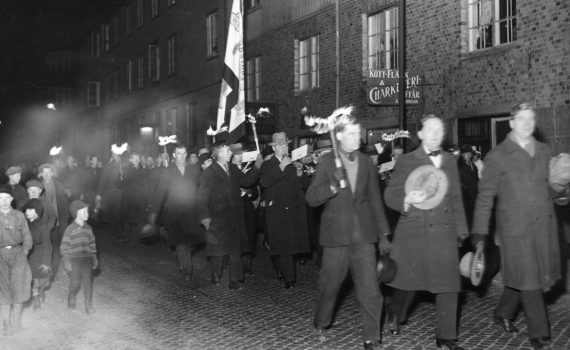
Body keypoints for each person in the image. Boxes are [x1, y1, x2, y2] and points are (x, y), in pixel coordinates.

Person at [471, 103, 570, 350]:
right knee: (531, 279)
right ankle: (540, 336)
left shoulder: (544, 150)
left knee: (525, 277)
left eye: (531, 118)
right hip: (515, 230)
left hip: (543, 227)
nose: (527, 123)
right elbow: (485, 198)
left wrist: (561, 191)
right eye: (522, 118)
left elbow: (549, 188)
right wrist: (480, 233)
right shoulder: (497, 156)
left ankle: (503, 312)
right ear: (512, 123)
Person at [305, 109, 391, 350]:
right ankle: (322, 321)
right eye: (352, 134)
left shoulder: (366, 162)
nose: (358, 138)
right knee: (329, 285)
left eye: (359, 133)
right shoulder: (326, 162)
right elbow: (311, 198)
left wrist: (384, 235)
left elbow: (375, 199)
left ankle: (371, 337)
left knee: (370, 289)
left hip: (364, 237)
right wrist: (332, 185)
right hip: (336, 237)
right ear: (339, 135)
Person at [383, 114, 469, 350]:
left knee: (449, 285)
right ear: (420, 134)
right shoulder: (407, 160)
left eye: (439, 130)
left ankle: (445, 336)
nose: (435, 134)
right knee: (407, 283)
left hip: (444, 231)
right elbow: (390, 195)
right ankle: (394, 312)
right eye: (430, 129)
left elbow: (456, 199)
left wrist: (462, 231)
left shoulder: (451, 161)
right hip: (414, 231)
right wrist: (406, 199)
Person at [198, 143, 262, 289]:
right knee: (219, 252)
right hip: (218, 219)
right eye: (227, 151)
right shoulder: (210, 172)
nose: (231, 153)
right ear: (219, 153)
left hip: (234, 218)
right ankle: (216, 273)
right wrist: (205, 218)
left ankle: (234, 280)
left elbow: (246, 181)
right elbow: (202, 197)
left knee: (235, 251)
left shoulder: (233, 168)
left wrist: (257, 167)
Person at [259, 132, 310, 289]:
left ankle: (285, 272)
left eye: (287, 144)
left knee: (290, 245)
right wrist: (281, 166)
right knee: (282, 246)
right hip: (277, 212)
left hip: (293, 210)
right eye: (282, 145)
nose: (286, 147)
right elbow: (265, 182)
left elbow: (302, 185)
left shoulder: (292, 164)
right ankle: (289, 277)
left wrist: (301, 174)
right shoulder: (268, 164)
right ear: (275, 148)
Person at [150, 144, 203, 279]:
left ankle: (183, 260)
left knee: (191, 243)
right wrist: (154, 212)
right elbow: (160, 192)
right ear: (174, 155)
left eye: (184, 154)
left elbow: (201, 188)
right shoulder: (168, 171)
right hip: (175, 212)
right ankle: (187, 269)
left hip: (191, 212)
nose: (182, 156)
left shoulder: (193, 170)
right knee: (180, 242)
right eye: (179, 154)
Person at [0, 186, 32, 335]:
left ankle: (17, 323)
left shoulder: (19, 215)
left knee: (19, 288)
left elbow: (27, 236)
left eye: (7, 198)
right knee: (3, 291)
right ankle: (6, 325)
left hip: (18, 254)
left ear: (12, 199)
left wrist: (24, 251)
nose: (4, 201)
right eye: (0, 198)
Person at [61, 200, 98, 314]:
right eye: (83, 212)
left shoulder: (88, 229)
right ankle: (71, 296)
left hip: (86, 259)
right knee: (75, 282)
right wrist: (66, 259)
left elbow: (92, 243)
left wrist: (94, 256)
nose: (87, 214)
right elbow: (64, 246)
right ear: (75, 213)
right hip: (74, 260)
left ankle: (88, 305)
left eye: (87, 211)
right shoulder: (70, 229)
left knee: (87, 281)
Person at [229, 143, 260, 276]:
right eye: (238, 154)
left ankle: (248, 266)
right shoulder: (229, 169)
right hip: (235, 209)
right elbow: (244, 182)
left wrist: (248, 193)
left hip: (247, 207)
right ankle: (239, 267)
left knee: (250, 236)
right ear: (232, 156)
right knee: (239, 238)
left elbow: (255, 191)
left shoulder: (248, 168)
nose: (240, 157)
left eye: (242, 154)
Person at [38, 163, 69, 280]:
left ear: (52, 173)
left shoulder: (59, 186)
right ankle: (44, 272)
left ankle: (53, 273)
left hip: (57, 224)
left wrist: (64, 222)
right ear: (41, 174)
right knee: (45, 249)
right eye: (44, 172)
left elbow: (63, 205)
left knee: (56, 250)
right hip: (43, 225)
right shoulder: (38, 187)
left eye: (49, 172)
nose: (46, 175)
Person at [22, 199, 52, 311]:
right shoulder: (24, 223)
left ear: (37, 211)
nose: (27, 212)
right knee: (31, 279)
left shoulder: (43, 226)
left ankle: (41, 291)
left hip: (39, 254)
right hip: (27, 255)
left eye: (30, 210)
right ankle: (36, 300)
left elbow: (47, 245)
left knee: (43, 280)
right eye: (26, 209)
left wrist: (46, 262)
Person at [117, 152, 146, 244]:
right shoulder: (126, 170)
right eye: (134, 158)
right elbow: (119, 185)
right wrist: (120, 176)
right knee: (127, 218)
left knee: (140, 219)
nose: (137, 160)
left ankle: (140, 238)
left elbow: (146, 185)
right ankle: (126, 237)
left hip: (140, 198)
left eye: (138, 158)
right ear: (131, 160)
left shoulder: (143, 170)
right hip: (129, 198)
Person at [96, 148, 124, 226]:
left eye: (118, 154)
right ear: (113, 154)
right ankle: (114, 234)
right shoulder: (108, 166)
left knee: (118, 215)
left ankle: (118, 234)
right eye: (115, 154)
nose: (118, 156)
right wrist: (99, 194)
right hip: (112, 195)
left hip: (122, 194)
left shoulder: (123, 164)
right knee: (113, 216)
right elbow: (102, 181)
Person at [457, 144, 479, 229]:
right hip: (466, 198)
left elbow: (476, 180)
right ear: (462, 154)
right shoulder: (460, 167)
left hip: (474, 196)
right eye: (467, 153)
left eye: (470, 154)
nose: (469, 155)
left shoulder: (473, 166)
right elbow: (460, 183)